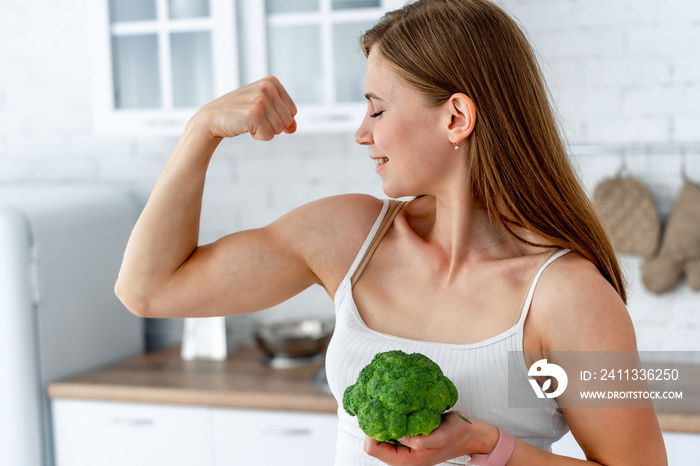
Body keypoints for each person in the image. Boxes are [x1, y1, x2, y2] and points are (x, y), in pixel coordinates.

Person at [115, 0, 667, 464]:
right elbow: (148, 289)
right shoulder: (349, 237)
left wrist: (485, 443)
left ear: (455, 118)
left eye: (376, 110)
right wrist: (200, 132)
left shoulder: (567, 297)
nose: (361, 133)